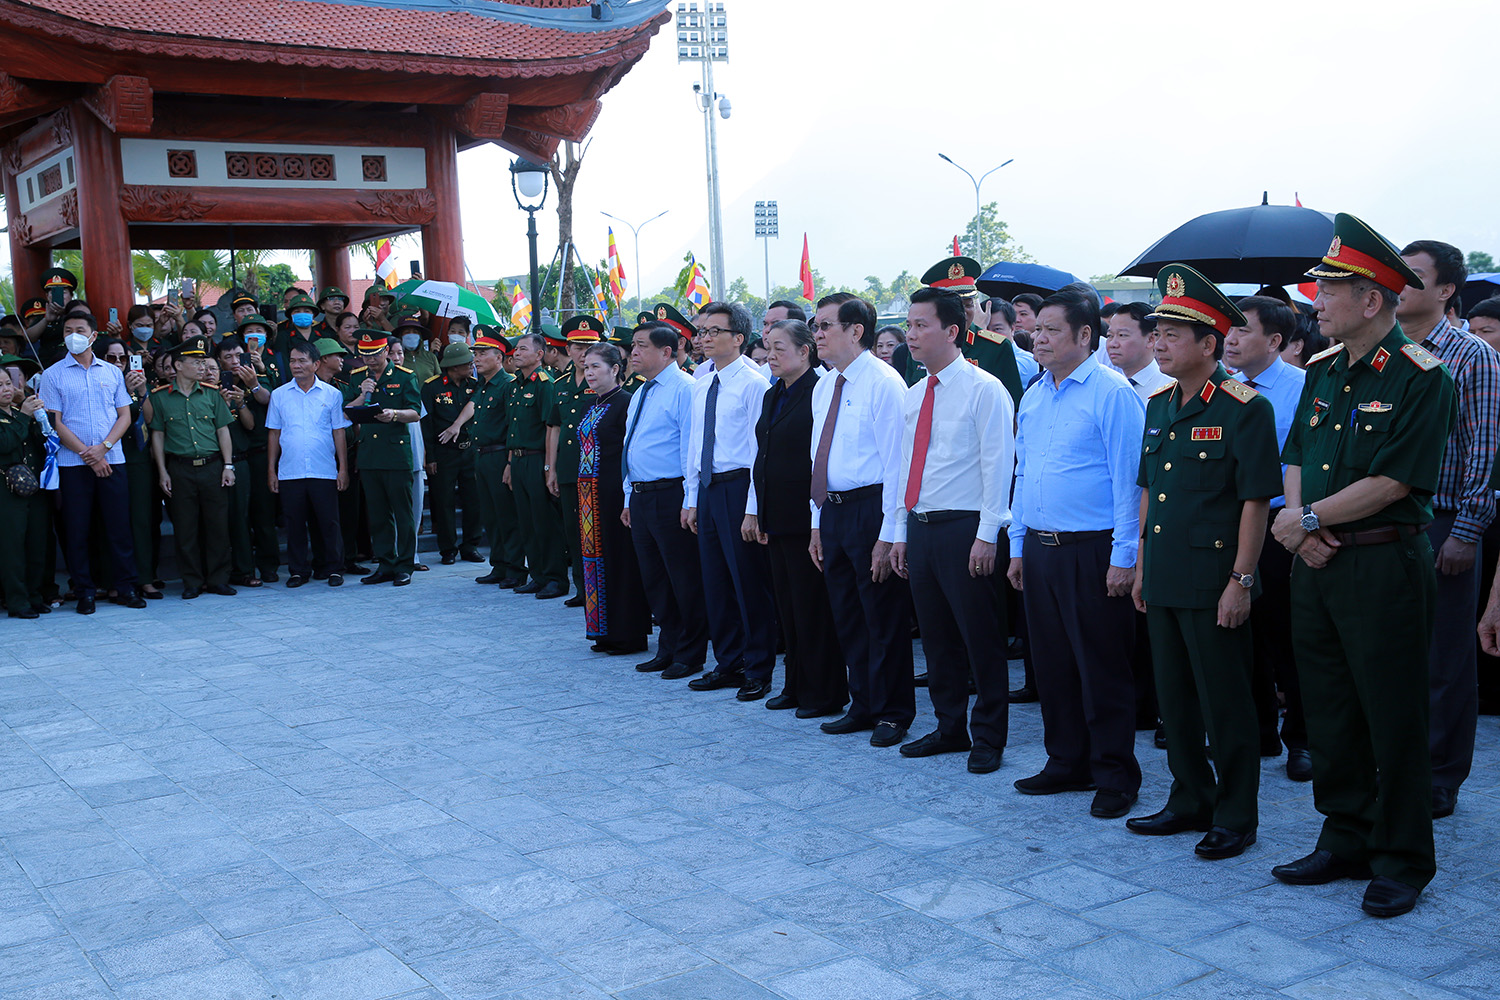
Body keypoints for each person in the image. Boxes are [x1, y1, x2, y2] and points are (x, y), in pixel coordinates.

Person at [1269, 213, 1457, 919]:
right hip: (1316, 561)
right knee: (1330, 709)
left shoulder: (1420, 378)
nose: (1316, 300)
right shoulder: (1321, 370)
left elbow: (1395, 483)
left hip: (1382, 567)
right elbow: (1296, 458)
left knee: (1392, 714)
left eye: (1329, 289)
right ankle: (1345, 834)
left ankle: (1402, 858)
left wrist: (1309, 520)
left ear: (1371, 300)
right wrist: (1298, 528)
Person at [1127, 266, 1283, 860]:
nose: (1159, 343)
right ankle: (1190, 795)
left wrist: (1241, 580)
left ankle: (1237, 813)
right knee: (1175, 698)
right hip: (1165, 572)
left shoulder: (1246, 408)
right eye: (1157, 332)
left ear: (1209, 344)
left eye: (1171, 334)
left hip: (1216, 578)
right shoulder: (1159, 404)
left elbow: (1253, 502)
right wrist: (1142, 564)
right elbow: (1149, 492)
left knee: (1226, 701)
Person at [1006, 290, 1144, 819]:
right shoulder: (1036, 395)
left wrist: (1123, 556)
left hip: (1093, 548)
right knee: (1053, 664)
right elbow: (1024, 474)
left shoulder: (1111, 393)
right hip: (1041, 548)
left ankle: (1115, 773)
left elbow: (1129, 481)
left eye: (1052, 330)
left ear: (1086, 335)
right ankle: (1066, 760)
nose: (1039, 338)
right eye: (1036, 329)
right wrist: (1018, 545)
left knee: (1101, 665)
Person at [888, 287, 1015, 774]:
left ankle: (988, 734)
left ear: (953, 332)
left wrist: (988, 533)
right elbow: (905, 466)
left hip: (967, 528)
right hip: (922, 526)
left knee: (980, 636)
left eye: (922, 325)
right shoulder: (916, 392)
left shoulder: (985, 389)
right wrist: (900, 531)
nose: (912, 335)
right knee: (937, 637)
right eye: (910, 325)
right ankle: (948, 726)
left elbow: (997, 465)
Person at [1395, 239, 1499, 820]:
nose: (1399, 285)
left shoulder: (1471, 355)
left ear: (1446, 291)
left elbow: (1483, 449)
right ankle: (1399, 760)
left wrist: (1468, 529)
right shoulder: (1380, 352)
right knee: (1394, 653)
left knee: (1444, 658)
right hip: (1381, 524)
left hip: (1443, 521)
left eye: (1413, 277)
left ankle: (1440, 775)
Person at [809, 294, 915, 748]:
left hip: (873, 508)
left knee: (883, 616)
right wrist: (816, 521)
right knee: (848, 615)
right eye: (815, 325)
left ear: (856, 330)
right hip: (832, 509)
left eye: (826, 325)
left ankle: (894, 711)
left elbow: (897, 465)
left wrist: (890, 534)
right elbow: (820, 457)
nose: (817, 334)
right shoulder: (824, 385)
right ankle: (864, 703)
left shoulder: (884, 382)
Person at [1227, 295, 1311, 778]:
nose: (1231, 339)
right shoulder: (1226, 388)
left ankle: (1302, 738)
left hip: (1283, 527)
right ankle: (1258, 730)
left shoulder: (1304, 387)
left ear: (1276, 341)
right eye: (1230, 330)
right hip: (1235, 527)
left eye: (1243, 331)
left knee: (1291, 638)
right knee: (1243, 633)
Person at [747, 319, 847, 717]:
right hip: (777, 515)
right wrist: (756, 511)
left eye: (779, 348)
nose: (770, 356)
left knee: (812, 607)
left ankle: (824, 691)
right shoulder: (774, 394)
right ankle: (795, 683)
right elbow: (763, 453)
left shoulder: (819, 390)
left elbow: (818, 458)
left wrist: (814, 520)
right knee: (787, 608)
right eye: (767, 348)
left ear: (805, 351)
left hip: (806, 516)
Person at [683, 301, 776, 700]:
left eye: (713, 332)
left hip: (740, 487)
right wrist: (691, 497)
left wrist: (753, 507)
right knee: (715, 580)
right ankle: (728, 661)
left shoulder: (755, 384)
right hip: (708, 488)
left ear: (739, 338)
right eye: (701, 332)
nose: (703, 339)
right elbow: (694, 445)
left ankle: (758, 667)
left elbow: (760, 453)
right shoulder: (703, 382)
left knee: (748, 581)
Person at [39, 311, 147, 613]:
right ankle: (84, 590)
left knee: (118, 527)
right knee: (77, 529)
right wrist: (88, 454)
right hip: (72, 465)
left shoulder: (111, 373)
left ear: (93, 335)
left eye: (80, 329)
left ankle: (126, 586)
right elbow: (54, 422)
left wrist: (104, 447)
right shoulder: (53, 375)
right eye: (68, 330)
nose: (73, 334)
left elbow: (124, 414)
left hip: (112, 459)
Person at [623, 318, 709, 678]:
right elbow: (632, 446)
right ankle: (668, 646)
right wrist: (628, 497)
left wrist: (690, 501)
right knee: (655, 578)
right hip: (642, 496)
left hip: (671, 493)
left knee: (683, 578)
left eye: (642, 345)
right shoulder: (642, 390)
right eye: (634, 345)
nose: (634, 352)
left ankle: (690, 653)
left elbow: (692, 449)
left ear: (666, 351)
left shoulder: (684, 388)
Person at [148, 334, 237, 599]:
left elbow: (223, 431)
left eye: (203, 362)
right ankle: (192, 581)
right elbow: (158, 435)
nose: (202, 367)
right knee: (186, 528)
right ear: (178, 365)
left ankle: (219, 579)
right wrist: (163, 471)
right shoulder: (160, 398)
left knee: (217, 526)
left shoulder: (211, 394)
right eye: (195, 362)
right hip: (180, 468)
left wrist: (228, 466)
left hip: (212, 466)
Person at [577, 341, 651, 653]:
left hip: (613, 495)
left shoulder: (626, 403)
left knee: (621, 562)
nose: (589, 373)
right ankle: (603, 631)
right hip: (588, 499)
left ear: (615, 369)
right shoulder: (593, 404)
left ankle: (628, 633)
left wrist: (625, 497)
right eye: (586, 367)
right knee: (596, 561)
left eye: (596, 366)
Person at [267, 339, 350, 587]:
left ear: (316, 364)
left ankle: (334, 568)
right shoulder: (279, 395)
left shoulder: (332, 394)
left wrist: (342, 468)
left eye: (302, 360)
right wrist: (271, 470)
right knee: (294, 524)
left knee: (329, 522)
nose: (296, 365)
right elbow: (273, 433)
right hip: (290, 470)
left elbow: (339, 432)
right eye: (292, 361)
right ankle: (298, 571)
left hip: (323, 468)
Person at [349, 332, 422, 586]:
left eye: (375, 354)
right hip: (369, 454)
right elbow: (348, 412)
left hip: (396, 453)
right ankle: (385, 563)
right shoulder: (358, 378)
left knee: (402, 513)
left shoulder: (405, 376)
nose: (369, 360)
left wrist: (394, 414)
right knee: (378, 514)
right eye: (364, 355)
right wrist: (362, 394)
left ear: (385, 352)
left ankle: (405, 565)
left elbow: (415, 412)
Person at [504, 333, 568, 599]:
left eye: (522, 349)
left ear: (539, 355)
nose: (516, 353)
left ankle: (555, 578)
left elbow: (549, 427)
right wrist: (509, 464)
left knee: (545, 521)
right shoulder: (515, 385)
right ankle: (538, 575)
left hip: (536, 458)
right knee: (527, 521)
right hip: (517, 459)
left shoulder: (545, 384)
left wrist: (547, 468)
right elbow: (512, 426)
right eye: (515, 349)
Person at [546, 316, 602, 605]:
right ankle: (582, 589)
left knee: (595, 531)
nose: (583, 352)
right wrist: (550, 469)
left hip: (597, 470)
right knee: (574, 533)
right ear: (568, 349)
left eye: (589, 346)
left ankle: (599, 589)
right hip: (568, 469)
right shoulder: (560, 384)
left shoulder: (604, 382)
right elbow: (553, 428)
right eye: (578, 346)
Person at [102, 339, 164, 599]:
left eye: (123, 358)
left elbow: (149, 419)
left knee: (141, 519)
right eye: (112, 358)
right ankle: (115, 580)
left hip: (137, 457)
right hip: (108, 455)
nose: (118, 363)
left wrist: (139, 393)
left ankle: (145, 578)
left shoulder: (140, 384)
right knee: (112, 520)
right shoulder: (101, 382)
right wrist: (121, 392)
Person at [216, 335, 279, 586]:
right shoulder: (216, 385)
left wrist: (253, 383)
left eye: (238, 356)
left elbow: (272, 401)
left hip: (261, 453)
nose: (234, 362)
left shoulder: (259, 378)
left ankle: (269, 566)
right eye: (227, 357)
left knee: (264, 515)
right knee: (238, 517)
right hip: (234, 459)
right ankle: (243, 569)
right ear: (218, 361)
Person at [469, 330, 528, 588]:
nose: (477, 359)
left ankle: (515, 568)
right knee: (491, 515)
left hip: (499, 455)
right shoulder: (482, 386)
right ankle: (499, 564)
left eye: (483, 353)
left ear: (499, 356)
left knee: (507, 516)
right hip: (482, 456)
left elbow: (512, 427)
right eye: (475, 354)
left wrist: (509, 463)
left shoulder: (508, 385)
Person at [422, 341, 483, 566]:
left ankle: (470, 546)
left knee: (473, 500)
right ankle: (448, 549)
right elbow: (426, 424)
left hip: (470, 451)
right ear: (454, 366)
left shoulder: (476, 385)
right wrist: (431, 457)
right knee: (444, 501)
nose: (472, 366)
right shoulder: (431, 387)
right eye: (467, 363)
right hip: (443, 453)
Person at [0, 361, 47, 617]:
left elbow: (43, 441)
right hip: (6, 490)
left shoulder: (19, 412)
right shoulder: (18, 416)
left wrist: (38, 416)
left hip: (34, 486)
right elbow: (5, 443)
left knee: (37, 543)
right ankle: (17, 601)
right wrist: (24, 416)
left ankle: (34, 594)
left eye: (8, 383)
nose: (6, 389)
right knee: (12, 548)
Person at [1107, 302, 1172, 399]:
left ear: (1151, 339)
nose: (1113, 344)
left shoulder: (1169, 388)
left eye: (1122, 335)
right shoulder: (1107, 385)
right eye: (1110, 336)